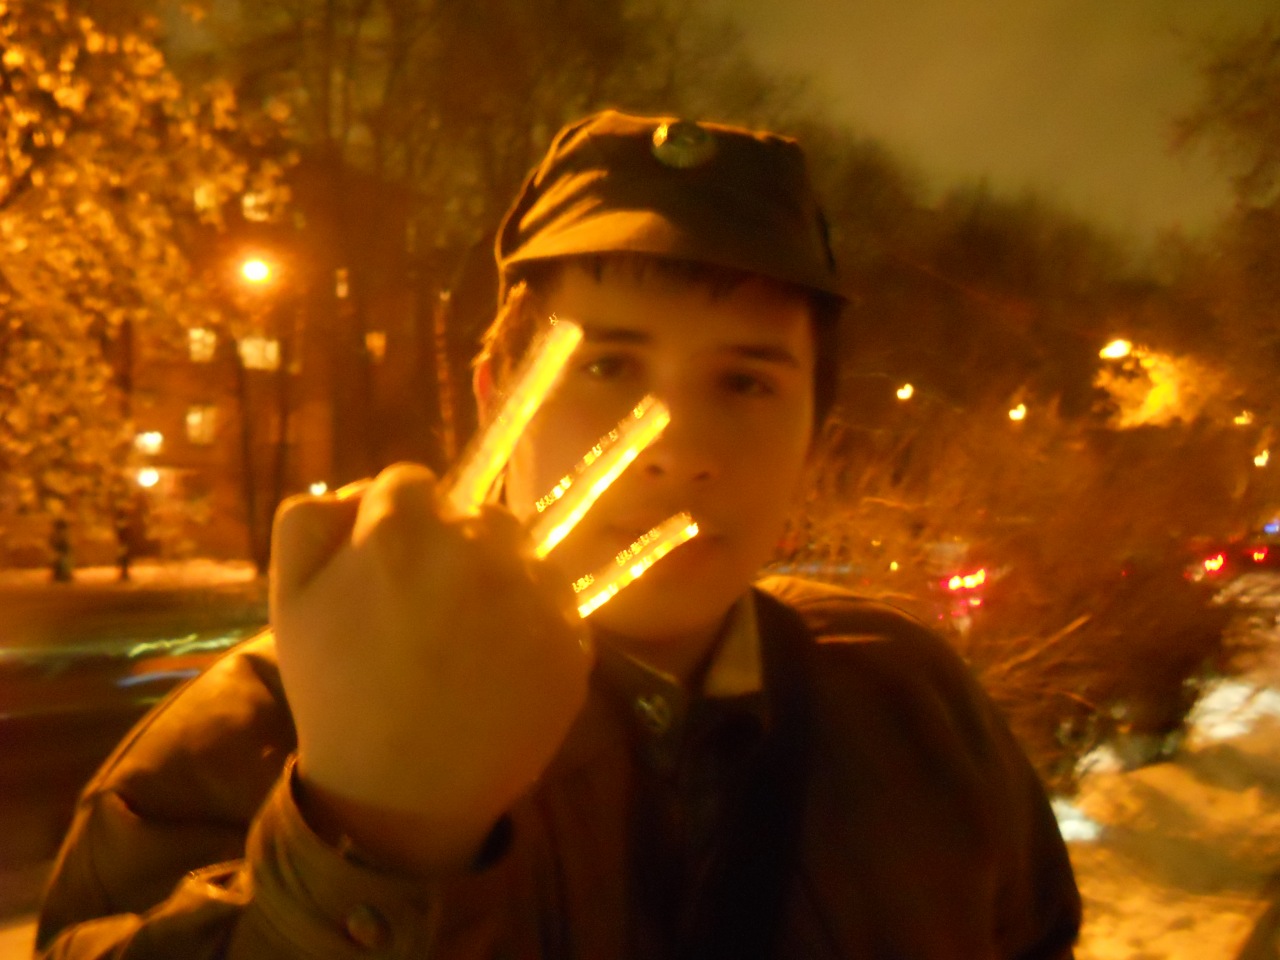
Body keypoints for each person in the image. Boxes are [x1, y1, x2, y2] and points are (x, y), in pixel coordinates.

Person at [36, 110, 1081, 959]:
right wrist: (368, 836)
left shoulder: (909, 706)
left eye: (745, 382)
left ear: (815, 425)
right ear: (498, 394)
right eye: (607, 366)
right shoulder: (251, 738)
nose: (675, 448)